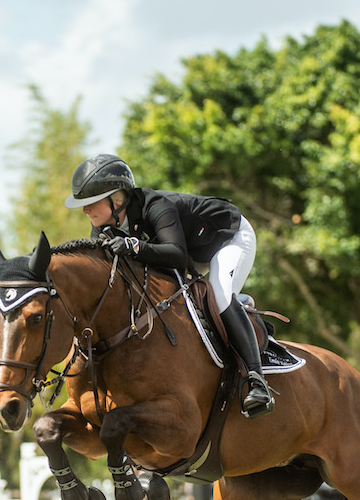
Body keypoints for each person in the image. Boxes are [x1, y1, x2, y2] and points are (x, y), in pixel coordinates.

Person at [64, 154, 274, 418]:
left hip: (228, 238)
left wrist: (134, 246)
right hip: (189, 255)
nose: (85, 210)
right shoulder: (104, 227)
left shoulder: (156, 206)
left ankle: (256, 380)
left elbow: (175, 255)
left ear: (117, 198)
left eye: (91, 203)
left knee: (219, 293)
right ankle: (236, 311)